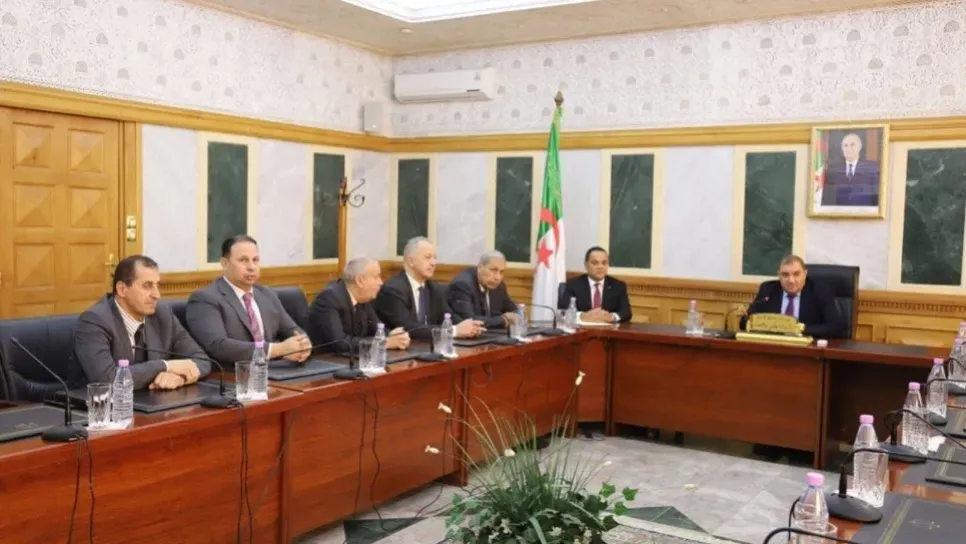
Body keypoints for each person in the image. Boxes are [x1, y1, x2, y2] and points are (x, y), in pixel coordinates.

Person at [73, 255, 211, 391]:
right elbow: (108, 379)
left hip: (150, 400)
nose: (157, 295)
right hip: (98, 403)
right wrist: (166, 366)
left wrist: (180, 376)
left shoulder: (162, 315)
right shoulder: (94, 321)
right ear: (122, 289)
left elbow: (202, 360)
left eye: (157, 285)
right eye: (147, 286)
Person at [186, 235, 312, 366]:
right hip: (234, 373)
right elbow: (218, 346)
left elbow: (294, 331)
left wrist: (303, 346)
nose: (251, 267)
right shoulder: (205, 299)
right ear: (225, 263)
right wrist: (277, 350)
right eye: (243, 260)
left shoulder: (267, 294)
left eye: (255, 260)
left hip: (274, 370)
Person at [374, 236, 485, 341]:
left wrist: (469, 326)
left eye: (434, 258)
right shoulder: (392, 290)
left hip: (429, 347)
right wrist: (454, 331)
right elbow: (408, 328)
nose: (433, 263)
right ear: (411, 261)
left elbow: (448, 317)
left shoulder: (435, 289)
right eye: (428, 257)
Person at [307, 256, 410, 353]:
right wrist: (384, 343)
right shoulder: (329, 298)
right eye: (376, 277)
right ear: (360, 281)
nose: (381, 282)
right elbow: (341, 343)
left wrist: (393, 335)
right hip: (324, 361)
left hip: (348, 360)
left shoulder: (364, 298)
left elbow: (376, 329)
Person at [741, 254, 844, 339]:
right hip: (775, 347)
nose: (791, 280)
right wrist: (745, 318)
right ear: (779, 275)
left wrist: (799, 329)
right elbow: (746, 323)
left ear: (805, 274)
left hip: (806, 349)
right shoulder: (768, 290)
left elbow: (835, 327)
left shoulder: (819, 291)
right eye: (785, 275)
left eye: (796, 274)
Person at [557, 246, 632, 323]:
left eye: (604, 263)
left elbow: (626, 313)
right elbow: (563, 311)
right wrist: (582, 316)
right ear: (586, 265)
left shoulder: (618, 286)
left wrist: (611, 317)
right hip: (581, 329)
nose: (600, 267)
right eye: (595, 263)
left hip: (608, 329)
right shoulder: (573, 284)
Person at [447, 250, 519, 330]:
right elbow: (469, 321)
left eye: (501, 272)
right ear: (480, 268)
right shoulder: (462, 285)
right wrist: (503, 320)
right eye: (493, 270)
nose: (498, 277)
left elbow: (514, 310)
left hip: (491, 335)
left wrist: (517, 315)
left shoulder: (498, 285)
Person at [820, 132, 881, 207]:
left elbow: (877, 197)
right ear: (842, 149)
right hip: (838, 213)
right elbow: (827, 198)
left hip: (864, 213)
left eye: (852, 145)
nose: (848, 148)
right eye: (845, 145)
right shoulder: (833, 170)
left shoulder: (872, 168)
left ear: (859, 147)